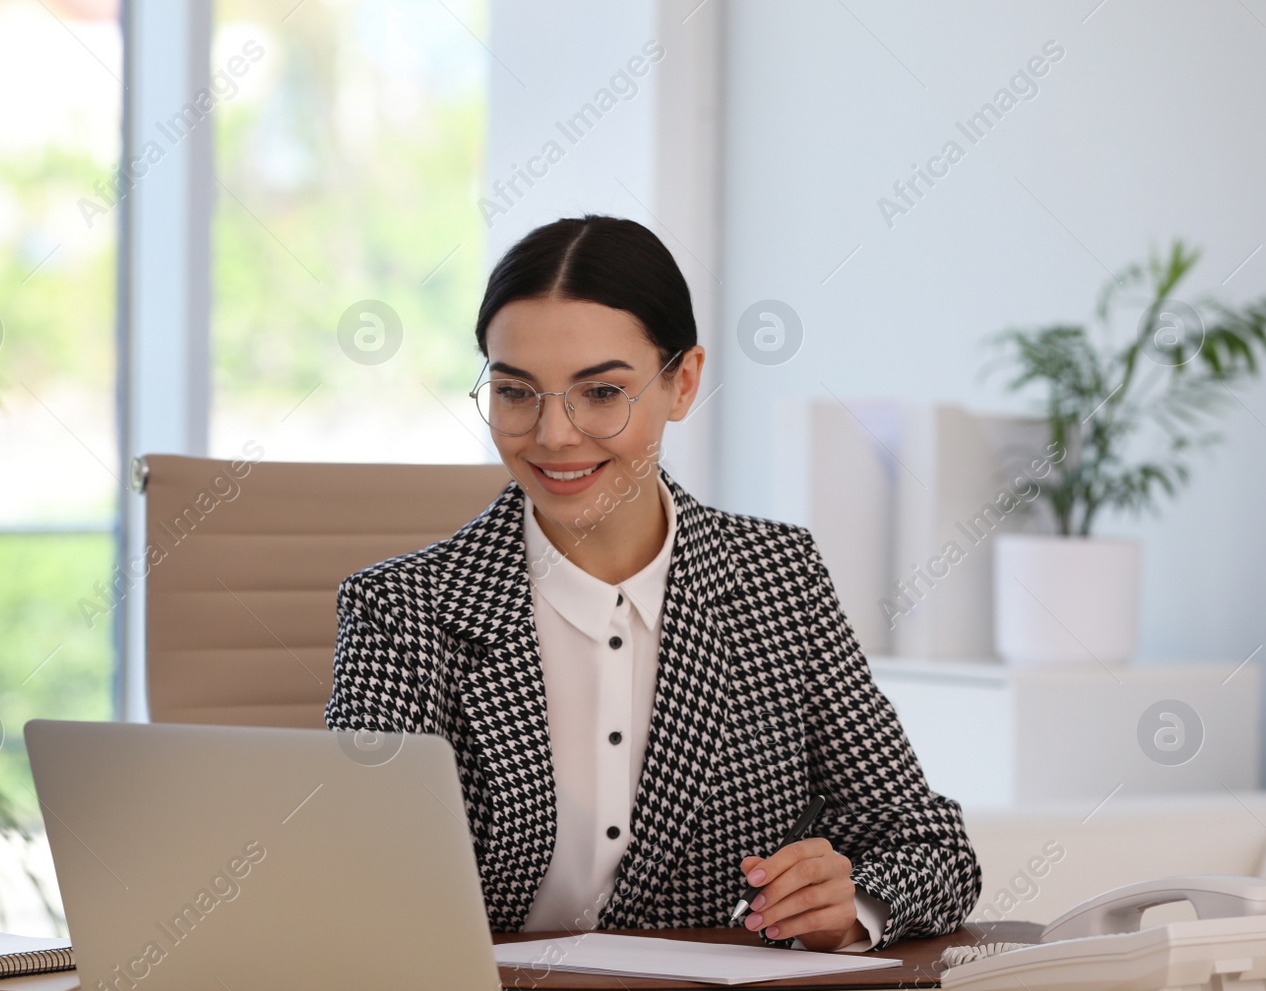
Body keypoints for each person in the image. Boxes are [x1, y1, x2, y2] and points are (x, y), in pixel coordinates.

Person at [324, 214, 980, 951]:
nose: (554, 435)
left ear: (683, 382)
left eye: (601, 392)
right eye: (516, 392)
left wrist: (855, 902)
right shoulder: (402, 612)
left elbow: (932, 847)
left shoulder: (777, 579)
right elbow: (355, 880)